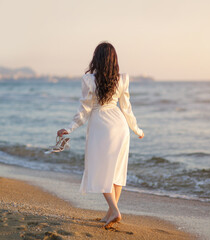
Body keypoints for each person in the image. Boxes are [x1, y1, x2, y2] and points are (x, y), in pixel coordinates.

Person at [57, 41, 144, 228]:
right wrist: (137, 130)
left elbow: (84, 110)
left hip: (101, 127)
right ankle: (110, 213)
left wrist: (70, 127)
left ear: (97, 58)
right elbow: (127, 109)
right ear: (114, 60)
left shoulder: (89, 80)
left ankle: (114, 210)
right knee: (117, 171)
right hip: (120, 127)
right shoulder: (123, 79)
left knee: (99, 170)